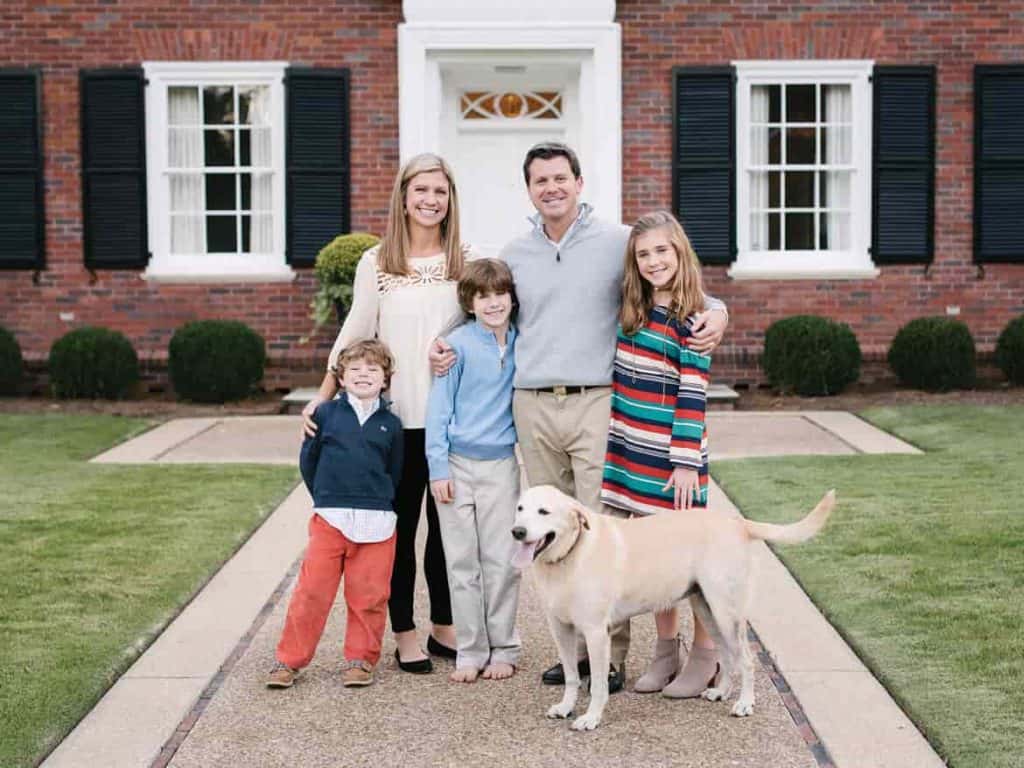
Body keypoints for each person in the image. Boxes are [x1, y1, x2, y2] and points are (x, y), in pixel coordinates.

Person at [430, 142, 728, 692]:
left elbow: (677, 280)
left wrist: (720, 312)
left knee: (602, 531)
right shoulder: (515, 252)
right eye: (540, 180)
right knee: (547, 529)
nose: (552, 188)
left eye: (560, 178)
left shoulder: (618, 243)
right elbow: (472, 304)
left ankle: (609, 657)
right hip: (533, 403)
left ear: (579, 182)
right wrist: (441, 346)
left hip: (597, 400)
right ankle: (571, 651)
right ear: (529, 190)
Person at [304, 153, 474, 673]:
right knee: (396, 532)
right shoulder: (376, 263)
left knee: (448, 532)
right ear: (403, 197)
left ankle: (444, 625)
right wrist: (324, 391)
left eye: (439, 192)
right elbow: (356, 330)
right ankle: (403, 630)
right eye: (421, 190)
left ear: (450, 200)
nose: (430, 200)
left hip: (450, 422)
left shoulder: (465, 258)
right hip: (395, 425)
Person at [600, 210, 718, 698]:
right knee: (654, 563)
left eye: (661, 251)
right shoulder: (633, 310)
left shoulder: (694, 318)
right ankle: (665, 652)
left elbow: (694, 392)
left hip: (675, 465)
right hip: (632, 456)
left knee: (689, 565)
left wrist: (686, 461)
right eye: (643, 253)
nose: (653, 261)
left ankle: (705, 657)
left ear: (679, 253)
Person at [268, 340, 403, 689]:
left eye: (372, 370)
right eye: (355, 370)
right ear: (341, 378)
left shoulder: (391, 424)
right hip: (331, 517)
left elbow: (395, 471)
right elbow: (308, 462)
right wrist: (327, 497)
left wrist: (380, 501)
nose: (363, 375)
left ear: (385, 379)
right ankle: (289, 661)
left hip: (377, 521)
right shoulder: (324, 414)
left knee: (370, 595)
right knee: (312, 592)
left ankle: (361, 660)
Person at [425, 258, 522, 684]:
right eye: (483, 296)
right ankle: (471, 648)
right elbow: (439, 410)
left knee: (501, 558)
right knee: (462, 560)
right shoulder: (457, 346)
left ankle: (505, 646)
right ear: (469, 302)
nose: (493, 303)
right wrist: (438, 468)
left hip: (502, 464)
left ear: (512, 298)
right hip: (457, 466)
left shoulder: (524, 342)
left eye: (500, 294)